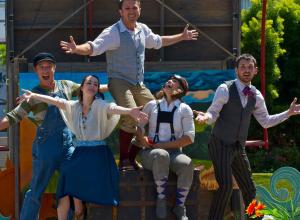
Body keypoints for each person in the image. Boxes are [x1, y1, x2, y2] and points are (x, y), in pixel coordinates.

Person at [60, 0, 198, 170]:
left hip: (138, 83)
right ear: (120, 12)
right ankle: (123, 160)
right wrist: (76, 49)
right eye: (127, 8)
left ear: (140, 9)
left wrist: (182, 36)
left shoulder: (142, 30)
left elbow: (159, 41)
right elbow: (93, 47)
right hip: (118, 81)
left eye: (134, 7)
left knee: (154, 111)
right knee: (132, 114)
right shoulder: (113, 32)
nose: (131, 11)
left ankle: (132, 157)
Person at [20, 74, 148, 220]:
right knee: (65, 180)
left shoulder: (99, 105)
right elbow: (55, 101)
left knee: (74, 178)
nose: (93, 85)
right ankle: (77, 209)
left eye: (96, 84)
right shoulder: (74, 106)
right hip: (80, 152)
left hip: (98, 154)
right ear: (81, 87)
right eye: (89, 83)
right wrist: (34, 94)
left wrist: (130, 111)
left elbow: (112, 108)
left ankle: (79, 209)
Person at [0, 52, 107, 220]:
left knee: (74, 178)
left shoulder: (66, 85)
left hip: (67, 146)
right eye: (41, 67)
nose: (45, 69)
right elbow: (13, 116)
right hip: (45, 150)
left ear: (54, 68)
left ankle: (76, 213)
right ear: (36, 70)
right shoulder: (32, 95)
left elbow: (89, 88)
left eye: (49, 66)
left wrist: (114, 85)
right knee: (36, 190)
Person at [194, 53, 300, 220]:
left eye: (250, 67)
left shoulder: (256, 95)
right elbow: (213, 112)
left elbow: (265, 121)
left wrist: (288, 113)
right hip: (220, 144)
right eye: (242, 67)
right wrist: (205, 118)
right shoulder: (225, 89)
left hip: (238, 146)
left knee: (249, 187)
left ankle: (256, 218)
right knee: (226, 187)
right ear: (236, 70)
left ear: (255, 71)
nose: (246, 70)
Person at [136, 75, 195, 220]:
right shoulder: (152, 105)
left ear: (180, 90)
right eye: (169, 80)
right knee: (161, 154)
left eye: (175, 82)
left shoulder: (184, 109)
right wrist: (141, 138)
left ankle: (180, 206)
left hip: (174, 153)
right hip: (151, 153)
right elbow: (138, 128)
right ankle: (161, 198)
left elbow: (189, 138)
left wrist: (164, 145)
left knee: (187, 164)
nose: (170, 82)